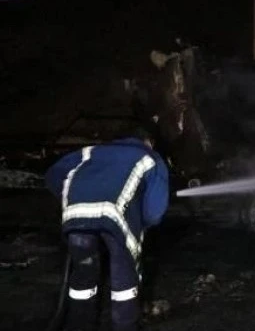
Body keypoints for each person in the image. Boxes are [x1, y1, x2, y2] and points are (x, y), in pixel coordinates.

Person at [45, 126, 169, 331]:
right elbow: (155, 212)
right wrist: (142, 221)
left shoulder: (90, 151)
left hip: (76, 216)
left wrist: (73, 198)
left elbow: (53, 175)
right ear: (149, 141)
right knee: (124, 282)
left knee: (83, 276)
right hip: (117, 218)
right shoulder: (150, 157)